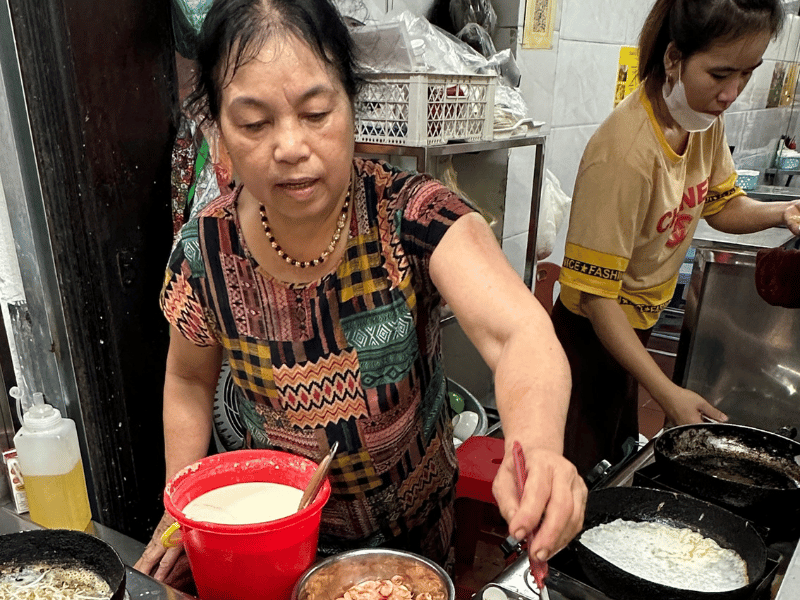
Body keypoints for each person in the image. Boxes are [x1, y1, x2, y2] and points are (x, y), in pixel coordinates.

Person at [134, 0, 586, 585]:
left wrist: (541, 449)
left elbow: (519, 331)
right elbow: (189, 381)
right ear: (218, 130)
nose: (290, 146)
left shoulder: (411, 215)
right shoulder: (203, 255)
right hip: (269, 543)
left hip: (409, 548)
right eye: (254, 122)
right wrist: (183, 508)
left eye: (316, 112)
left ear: (352, 105)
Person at [553, 0, 800, 477]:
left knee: (618, 462)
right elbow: (599, 302)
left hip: (632, 331)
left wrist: (784, 212)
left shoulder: (702, 123)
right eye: (720, 74)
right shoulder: (624, 153)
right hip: (587, 342)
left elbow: (722, 206)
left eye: (747, 73)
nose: (732, 93)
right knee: (577, 480)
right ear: (673, 58)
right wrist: (665, 392)